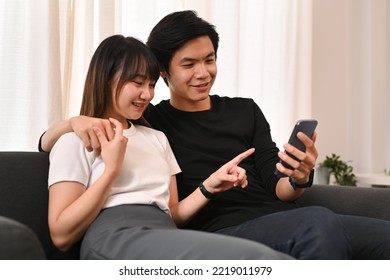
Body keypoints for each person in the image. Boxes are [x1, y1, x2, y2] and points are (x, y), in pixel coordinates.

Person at [40, 11, 390, 259]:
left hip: (283, 217)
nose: (203, 73)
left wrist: (298, 176)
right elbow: (52, 144)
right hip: (222, 231)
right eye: (189, 64)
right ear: (164, 72)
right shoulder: (153, 120)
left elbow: (278, 187)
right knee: (316, 223)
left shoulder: (240, 111)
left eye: (210, 60)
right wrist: (73, 121)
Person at [47, 34, 291, 260]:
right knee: (258, 259)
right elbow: (61, 235)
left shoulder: (156, 138)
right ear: (106, 79)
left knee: (275, 260)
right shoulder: (76, 139)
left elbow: (172, 214)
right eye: (137, 83)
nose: (147, 94)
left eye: (151, 84)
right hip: (116, 236)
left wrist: (209, 185)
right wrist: (111, 170)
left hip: (165, 231)